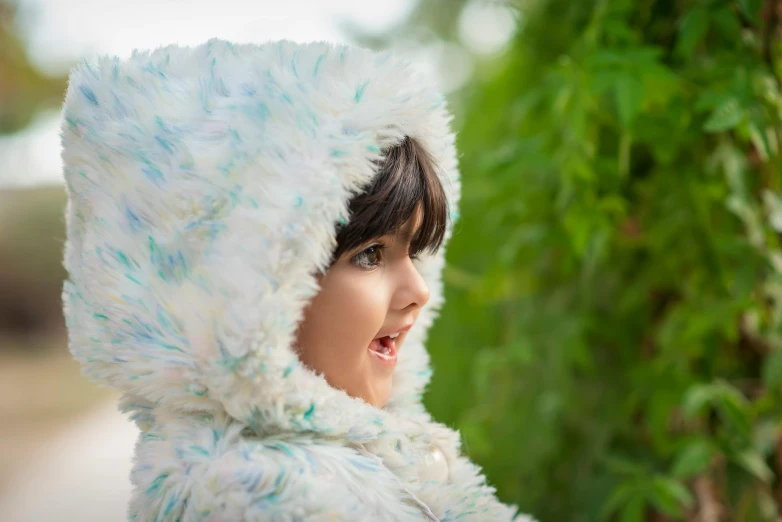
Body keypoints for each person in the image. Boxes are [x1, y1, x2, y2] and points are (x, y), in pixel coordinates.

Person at [60, 38, 534, 521]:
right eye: (371, 255)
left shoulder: (360, 462)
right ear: (242, 290)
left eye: (413, 251)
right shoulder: (264, 502)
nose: (420, 292)